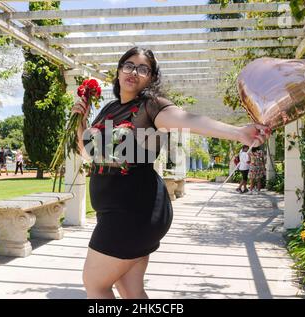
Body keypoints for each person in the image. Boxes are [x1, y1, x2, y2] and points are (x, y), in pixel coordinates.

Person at [72, 47, 268, 299]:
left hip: (133, 213)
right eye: (129, 65)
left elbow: (187, 119)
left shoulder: (152, 107)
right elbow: (87, 152)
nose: (135, 72)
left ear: (151, 78)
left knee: (95, 284)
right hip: (116, 213)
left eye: (144, 69)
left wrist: (237, 132)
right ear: (119, 71)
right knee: (129, 289)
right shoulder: (108, 109)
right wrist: (81, 119)